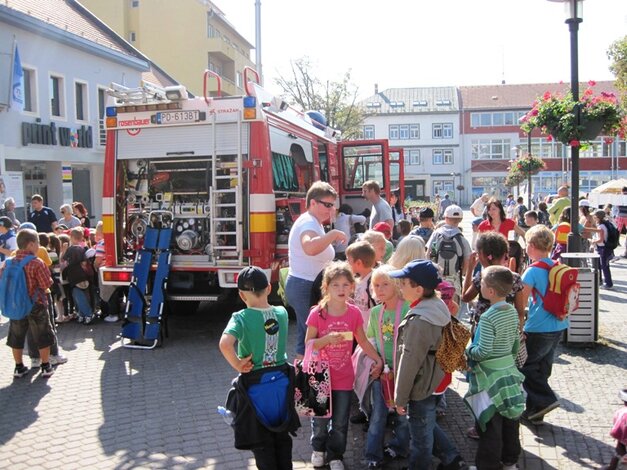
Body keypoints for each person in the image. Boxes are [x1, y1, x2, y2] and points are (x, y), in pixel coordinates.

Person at [390, 260, 468, 470]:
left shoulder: (420, 320)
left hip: (421, 385)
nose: (400, 286)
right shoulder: (436, 304)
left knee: (420, 436)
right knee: (425, 423)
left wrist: (400, 398)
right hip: (434, 379)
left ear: (418, 289)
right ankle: (452, 458)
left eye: (404, 283)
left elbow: (409, 362)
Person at [219, 266, 298, 470]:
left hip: (255, 388)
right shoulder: (281, 313)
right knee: (282, 439)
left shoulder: (240, 318)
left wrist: (237, 363)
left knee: (262, 443)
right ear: (269, 288)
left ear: (241, 294)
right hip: (281, 385)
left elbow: (225, 344)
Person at [306, 262, 383, 470]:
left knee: (340, 423)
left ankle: (335, 455)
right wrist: (327, 339)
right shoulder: (317, 313)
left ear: (352, 287)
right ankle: (318, 449)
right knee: (320, 420)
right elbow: (308, 344)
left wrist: (378, 359)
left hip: (343, 376)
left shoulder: (354, 313)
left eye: (345, 285)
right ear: (326, 287)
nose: (341, 289)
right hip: (320, 376)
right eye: (335, 285)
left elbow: (363, 341)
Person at [465, 266, 525, 470]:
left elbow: (482, 351)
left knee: (490, 424)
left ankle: (487, 465)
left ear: (490, 291)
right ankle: (510, 461)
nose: (479, 285)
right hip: (509, 373)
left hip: (490, 378)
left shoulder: (489, 317)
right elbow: (516, 343)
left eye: (481, 283)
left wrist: (469, 349)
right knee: (511, 420)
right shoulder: (511, 312)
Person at [285, 182, 346, 357]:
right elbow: (309, 248)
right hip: (304, 286)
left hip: (306, 285)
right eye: (327, 205)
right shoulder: (308, 223)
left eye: (332, 205)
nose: (331, 209)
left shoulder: (313, 222)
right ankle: (304, 378)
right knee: (308, 335)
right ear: (312, 203)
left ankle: (305, 378)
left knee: (307, 334)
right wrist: (333, 234)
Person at [520, 225, 568, 425]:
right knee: (542, 368)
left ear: (531, 246)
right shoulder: (556, 265)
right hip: (559, 323)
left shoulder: (531, 271)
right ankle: (535, 413)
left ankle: (547, 399)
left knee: (525, 366)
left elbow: (520, 303)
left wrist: (519, 326)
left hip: (538, 326)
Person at [364, 265, 410, 468]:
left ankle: (400, 447)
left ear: (397, 285)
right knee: (378, 415)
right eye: (376, 285)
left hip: (404, 372)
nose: (380, 289)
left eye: (385, 284)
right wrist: (376, 362)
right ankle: (373, 455)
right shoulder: (375, 312)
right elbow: (371, 340)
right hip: (381, 372)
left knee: (403, 415)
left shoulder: (408, 308)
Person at [2, 228, 56, 378]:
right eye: (37, 243)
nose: (38, 246)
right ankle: (45, 366)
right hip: (35, 303)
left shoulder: (8, 262)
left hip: (16, 304)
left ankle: (18, 367)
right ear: (31, 244)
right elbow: (46, 284)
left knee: (16, 336)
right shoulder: (36, 263)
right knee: (42, 335)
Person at [426, 204, 472, 302]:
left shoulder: (437, 234)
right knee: (453, 305)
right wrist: (462, 273)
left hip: (437, 276)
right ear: (460, 219)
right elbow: (467, 259)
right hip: (454, 277)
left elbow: (429, 254)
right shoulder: (460, 237)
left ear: (446, 218)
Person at [61, 227, 94, 324]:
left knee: (78, 295)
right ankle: (82, 314)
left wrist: (64, 250)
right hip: (83, 275)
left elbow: (64, 260)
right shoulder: (83, 248)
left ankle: (87, 314)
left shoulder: (71, 249)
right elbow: (84, 261)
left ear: (72, 237)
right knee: (83, 295)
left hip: (74, 276)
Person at [345, 240, 377, 324]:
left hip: (371, 330)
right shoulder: (357, 280)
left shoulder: (373, 281)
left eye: (348, 260)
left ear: (358, 263)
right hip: (360, 328)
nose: (346, 263)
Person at [604, 388, 627, 470]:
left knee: (618, 453)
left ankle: (611, 467)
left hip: (621, 440)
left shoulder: (620, 412)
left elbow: (617, 431)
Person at [592, 210, 614, 289]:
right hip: (603, 247)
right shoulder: (605, 225)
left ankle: (608, 283)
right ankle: (604, 282)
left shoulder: (601, 227)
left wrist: (593, 241)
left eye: (594, 216)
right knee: (603, 265)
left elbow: (601, 239)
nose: (593, 218)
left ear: (598, 217)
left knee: (604, 266)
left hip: (602, 248)